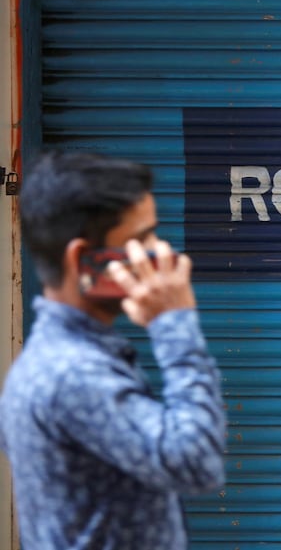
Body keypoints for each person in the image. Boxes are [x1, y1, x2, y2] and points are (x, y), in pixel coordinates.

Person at [0, 151, 227, 549]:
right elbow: (198, 464)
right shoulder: (72, 372)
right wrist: (174, 324)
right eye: (140, 240)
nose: (159, 253)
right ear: (82, 259)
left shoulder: (56, 359)